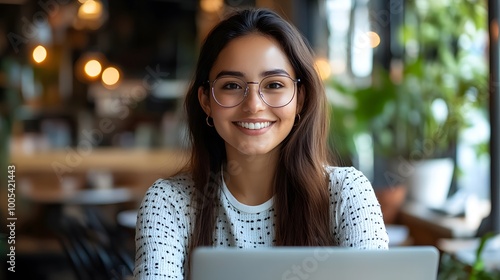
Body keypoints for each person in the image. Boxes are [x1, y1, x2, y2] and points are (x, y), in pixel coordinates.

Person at [133, 7, 389, 279]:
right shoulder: (169, 202)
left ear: (300, 98)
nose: (253, 105)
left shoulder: (347, 193)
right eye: (232, 85)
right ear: (206, 101)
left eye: (274, 85)